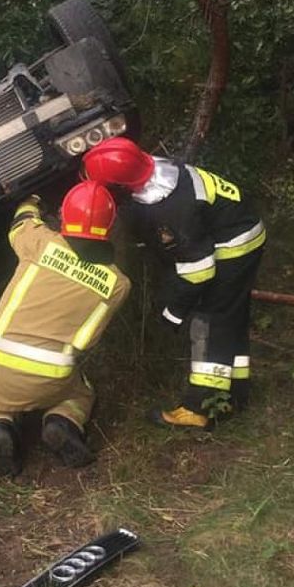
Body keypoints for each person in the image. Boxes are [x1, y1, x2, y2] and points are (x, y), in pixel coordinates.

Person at [83, 137, 265, 430]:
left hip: (234, 247)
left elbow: (199, 271)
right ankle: (235, 392)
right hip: (240, 228)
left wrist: (174, 312)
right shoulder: (161, 170)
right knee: (232, 316)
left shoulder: (174, 210)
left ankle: (198, 409)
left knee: (210, 320)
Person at [0, 181, 131, 476]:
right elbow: (86, 341)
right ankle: (61, 422)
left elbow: (21, 221)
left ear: (63, 216)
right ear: (109, 227)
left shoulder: (40, 241)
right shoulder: (118, 284)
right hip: (49, 379)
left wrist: (31, 198)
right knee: (81, 393)